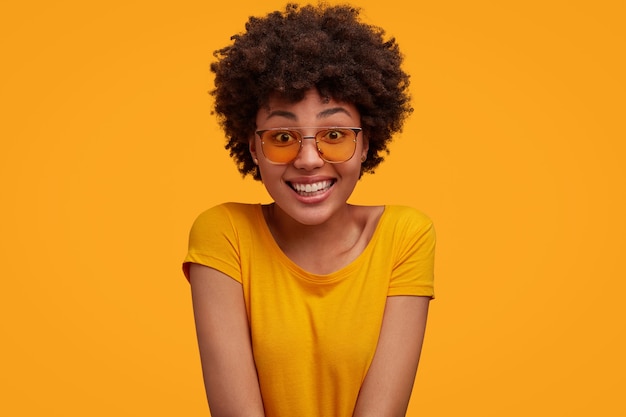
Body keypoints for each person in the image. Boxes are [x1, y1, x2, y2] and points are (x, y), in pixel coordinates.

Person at [183, 3, 435, 416]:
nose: (309, 159)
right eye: (283, 136)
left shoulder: (405, 236)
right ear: (253, 148)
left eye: (334, 134)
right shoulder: (222, 233)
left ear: (366, 143)